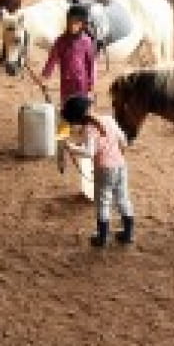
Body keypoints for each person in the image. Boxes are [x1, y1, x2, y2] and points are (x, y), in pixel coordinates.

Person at [61, 96, 134, 247]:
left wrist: (71, 148)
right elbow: (124, 141)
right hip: (120, 165)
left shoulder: (89, 129)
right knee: (123, 198)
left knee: (103, 201)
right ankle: (128, 234)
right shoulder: (108, 119)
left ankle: (102, 237)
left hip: (104, 169)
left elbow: (89, 152)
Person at [41, 4, 97, 107]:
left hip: (82, 86)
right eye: (70, 22)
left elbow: (91, 65)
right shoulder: (61, 41)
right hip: (66, 86)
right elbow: (52, 60)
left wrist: (91, 87)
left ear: (83, 24)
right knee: (67, 111)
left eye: (76, 23)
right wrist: (45, 77)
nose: (72, 25)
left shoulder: (87, 42)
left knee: (82, 114)